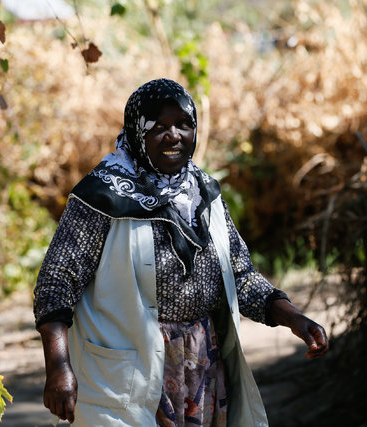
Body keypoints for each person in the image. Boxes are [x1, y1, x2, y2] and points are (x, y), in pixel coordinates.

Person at [33, 78, 329, 426]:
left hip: (203, 366)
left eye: (184, 124)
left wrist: (295, 319)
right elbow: (56, 283)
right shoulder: (102, 195)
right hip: (132, 371)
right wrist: (58, 367)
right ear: (137, 133)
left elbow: (240, 275)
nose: (174, 136)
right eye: (159, 127)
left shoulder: (203, 192)